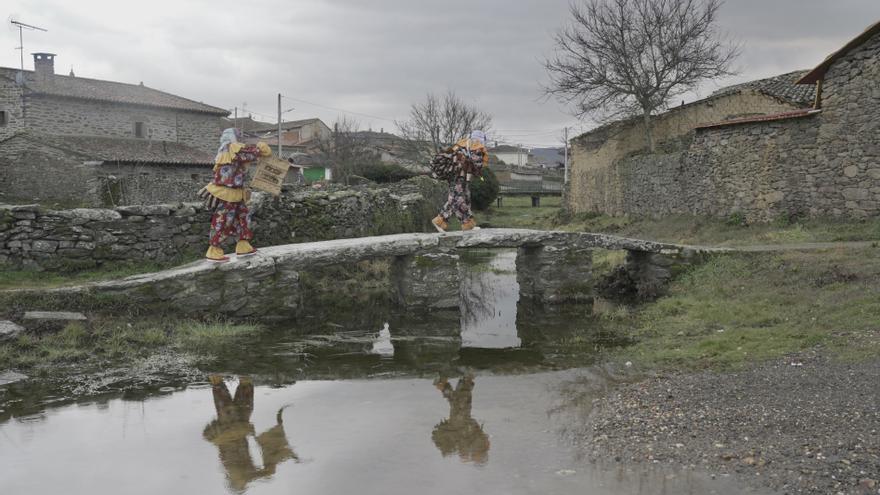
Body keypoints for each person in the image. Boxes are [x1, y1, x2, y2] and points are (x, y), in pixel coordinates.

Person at [199, 128, 272, 262]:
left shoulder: (228, 149)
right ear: (234, 137)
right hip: (227, 192)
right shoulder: (231, 148)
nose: (242, 139)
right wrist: (260, 149)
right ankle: (213, 250)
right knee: (223, 220)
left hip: (236, 192)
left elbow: (245, 154)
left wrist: (257, 150)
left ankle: (243, 245)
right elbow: (247, 155)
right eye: (240, 136)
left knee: (242, 218)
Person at [431, 130, 489, 232]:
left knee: (463, 197)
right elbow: (478, 164)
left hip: (456, 175)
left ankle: (464, 224)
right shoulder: (476, 148)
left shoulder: (462, 144)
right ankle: (442, 221)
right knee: (457, 199)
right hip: (458, 176)